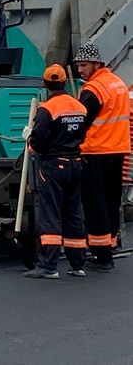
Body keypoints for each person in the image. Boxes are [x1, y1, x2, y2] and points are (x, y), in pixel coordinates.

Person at [22, 65, 88, 279]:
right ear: (65, 82)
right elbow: (82, 135)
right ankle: (78, 264)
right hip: (75, 163)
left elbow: (38, 142)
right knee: (73, 213)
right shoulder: (79, 107)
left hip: (53, 166)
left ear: (44, 84)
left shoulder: (46, 109)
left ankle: (48, 266)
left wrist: (29, 138)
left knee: (50, 214)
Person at [74, 42, 131, 271]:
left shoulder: (93, 90)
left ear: (97, 64)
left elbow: (79, 122)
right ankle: (110, 244)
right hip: (117, 151)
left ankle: (101, 254)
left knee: (95, 203)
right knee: (111, 201)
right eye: (78, 66)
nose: (80, 70)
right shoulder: (117, 83)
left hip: (95, 152)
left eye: (84, 65)